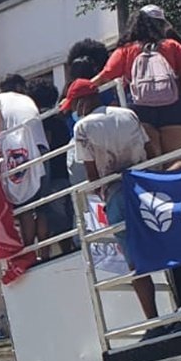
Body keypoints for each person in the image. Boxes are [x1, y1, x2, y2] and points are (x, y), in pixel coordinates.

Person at [63, 78, 163, 321]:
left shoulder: (83, 128)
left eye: (75, 105)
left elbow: (91, 173)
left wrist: (101, 194)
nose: (75, 111)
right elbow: (150, 152)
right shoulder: (128, 114)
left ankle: (153, 320)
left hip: (116, 192)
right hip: (144, 185)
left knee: (134, 262)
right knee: (163, 241)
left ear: (83, 101)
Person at [90, 6, 181, 154]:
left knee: (153, 161)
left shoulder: (125, 50)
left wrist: (72, 95)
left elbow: (104, 77)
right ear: (161, 25)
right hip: (174, 107)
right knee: (175, 158)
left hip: (140, 109)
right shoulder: (172, 46)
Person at [0, 74, 52, 246]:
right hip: (42, 149)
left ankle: (29, 252)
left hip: (22, 152)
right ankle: (45, 253)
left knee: (25, 206)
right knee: (42, 207)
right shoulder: (28, 100)